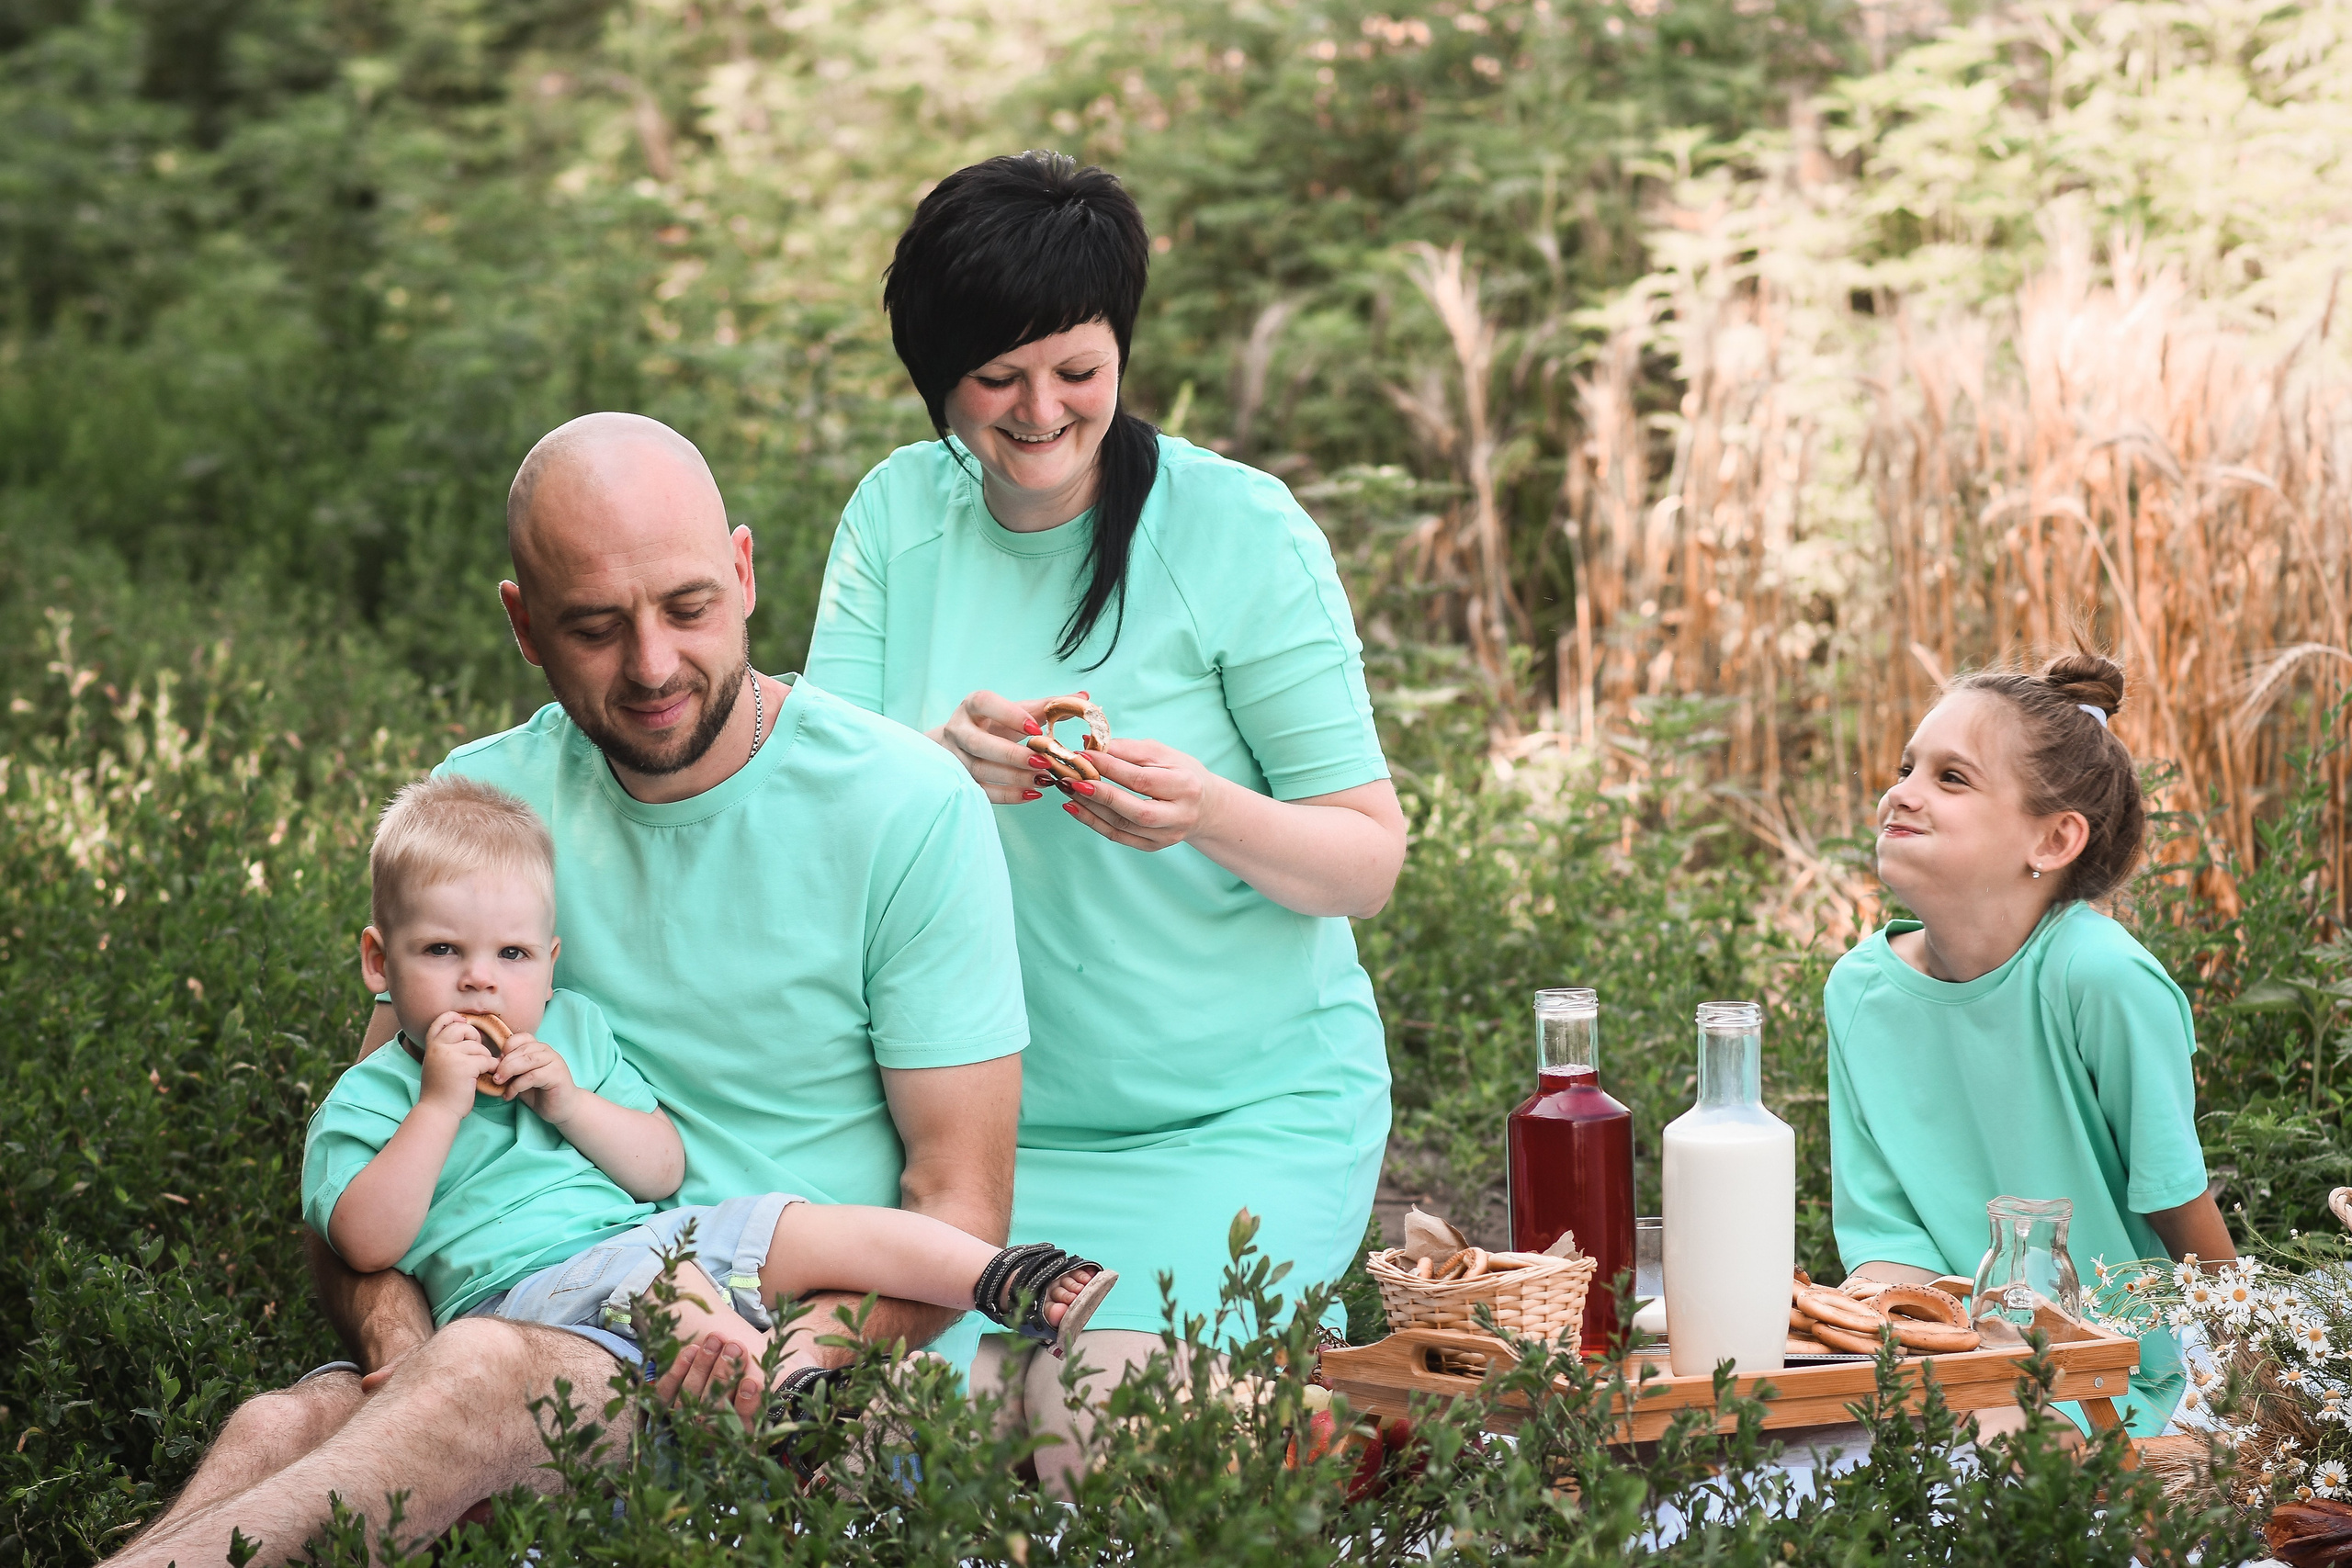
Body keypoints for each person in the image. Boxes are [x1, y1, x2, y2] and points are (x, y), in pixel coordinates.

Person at [112, 412, 1029, 1565]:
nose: (651, 666)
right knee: (287, 1418)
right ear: (523, 625)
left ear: (744, 574)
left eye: (688, 608)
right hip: (531, 1325)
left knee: (484, 1373)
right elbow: (366, 1145)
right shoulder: (480, 812)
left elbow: (958, 1212)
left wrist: (783, 1361)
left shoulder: (904, 805)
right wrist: (399, 1332)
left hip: (800, 1377)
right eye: (595, 628)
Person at [805, 152, 1407, 1491]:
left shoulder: (1242, 532)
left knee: (1088, 1428)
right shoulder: (898, 514)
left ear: (1122, 346)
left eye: (1075, 366)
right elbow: (816, 805)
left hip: (1235, 1115)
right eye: (995, 375)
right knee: (896, 1444)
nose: (1039, 411)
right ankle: (1250, 1391)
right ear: (936, 372)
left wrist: (1206, 809)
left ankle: (1342, 1434)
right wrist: (934, 765)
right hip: (978, 1137)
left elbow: (1366, 856)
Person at [311, 773, 1114, 1384]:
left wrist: (569, 1101)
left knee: (794, 1225)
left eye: (511, 955)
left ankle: (996, 1273)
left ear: (550, 966)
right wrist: (440, 1105)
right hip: (521, 1299)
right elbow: (364, 1240)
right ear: (381, 961)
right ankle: (784, 1397)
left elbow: (659, 1166)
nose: (481, 982)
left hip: (646, 1235)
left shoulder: (572, 1036)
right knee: (674, 1291)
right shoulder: (368, 1100)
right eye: (443, 951)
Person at [1829, 651, 2236, 1438]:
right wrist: (1890, 1344)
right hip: (1941, 1358)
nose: (1901, 792)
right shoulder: (1858, 992)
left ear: (2053, 840)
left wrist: (2251, 1372)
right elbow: (1887, 1237)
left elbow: (2177, 1202)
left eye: (1952, 778)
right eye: (1907, 765)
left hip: (2117, 1371)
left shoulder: (2104, 977)